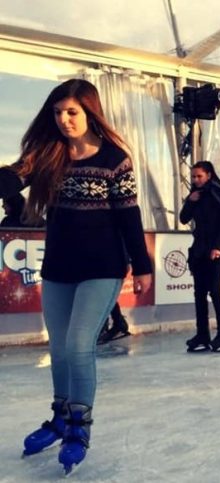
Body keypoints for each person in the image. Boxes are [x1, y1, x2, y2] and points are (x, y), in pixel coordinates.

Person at [0, 79, 152, 474]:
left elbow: (129, 216)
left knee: (80, 345)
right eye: (57, 113)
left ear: (90, 113)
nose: (64, 120)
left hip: (102, 267)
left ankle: (79, 427)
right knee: (61, 348)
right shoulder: (47, 154)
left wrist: (143, 265)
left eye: (72, 112)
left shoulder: (115, 160)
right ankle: (60, 416)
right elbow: (10, 180)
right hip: (59, 266)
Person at [180, 161, 220, 353]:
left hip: (218, 251)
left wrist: (218, 246)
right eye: (193, 177)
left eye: (199, 176)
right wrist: (190, 201)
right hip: (199, 250)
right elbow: (183, 218)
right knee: (199, 293)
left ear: (209, 175)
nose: (195, 180)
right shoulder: (196, 195)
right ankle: (202, 334)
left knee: (215, 291)